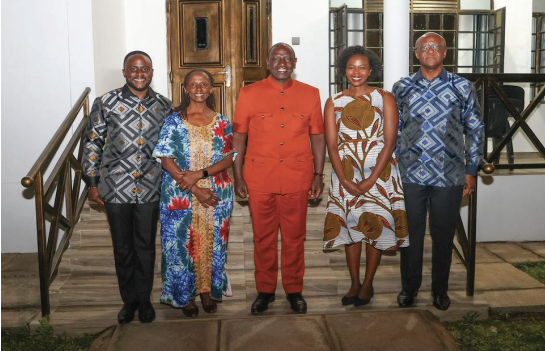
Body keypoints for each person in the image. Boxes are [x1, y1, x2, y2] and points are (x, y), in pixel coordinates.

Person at [392, 32, 484, 311]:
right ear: (416, 54)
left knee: (443, 236)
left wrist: (471, 170)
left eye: (436, 47)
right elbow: (394, 129)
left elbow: (476, 129)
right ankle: (409, 287)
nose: (430, 50)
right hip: (410, 174)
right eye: (424, 47)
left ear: (445, 53)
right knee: (411, 235)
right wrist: (394, 162)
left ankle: (440, 290)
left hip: (450, 175)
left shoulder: (463, 86)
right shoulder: (402, 87)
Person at [232, 43, 326, 314]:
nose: (282, 63)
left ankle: (294, 290)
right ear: (268, 62)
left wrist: (318, 176)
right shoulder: (249, 93)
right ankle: (265, 290)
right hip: (259, 177)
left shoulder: (310, 94)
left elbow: (317, 137)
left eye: (287, 58)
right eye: (276, 58)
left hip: (298, 176)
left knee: (295, 237)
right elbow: (239, 137)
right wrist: (238, 175)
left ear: (294, 62)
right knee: (263, 238)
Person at [83, 51, 172, 324]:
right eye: (133, 69)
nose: (139, 73)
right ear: (124, 72)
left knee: (145, 246)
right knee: (122, 247)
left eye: (144, 68)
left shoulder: (164, 105)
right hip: (115, 187)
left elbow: (171, 148)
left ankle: (144, 300)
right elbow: (92, 143)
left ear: (152, 72)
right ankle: (129, 301)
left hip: (150, 187)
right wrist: (92, 181)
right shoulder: (106, 102)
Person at [323, 46, 409, 307]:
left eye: (362, 67)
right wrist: (344, 179)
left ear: (371, 70)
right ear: (343, 71)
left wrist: (371, 180)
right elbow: (331, 145)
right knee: (351, 228)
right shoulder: (333, 102)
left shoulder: (385, 98)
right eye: (351, 67)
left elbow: (390, 141)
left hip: (380, 173)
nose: (356, 72)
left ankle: (368, 283)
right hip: (345, 172)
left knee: (376, 226)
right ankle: (354, 283)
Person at [153, 70, 235, 317]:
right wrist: (194, 188)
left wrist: (200, 175)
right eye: (193, 84)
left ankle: (207, 292)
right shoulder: (173, 120)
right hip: (179, 192)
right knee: (180, 245)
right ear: (186, 89)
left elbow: (229, 157)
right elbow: (165, 157)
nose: (199, 88)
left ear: (211, 89)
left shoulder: (222, 122)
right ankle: (184, 296)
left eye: (204, 84)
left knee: (212, 244)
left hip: (216, 192)